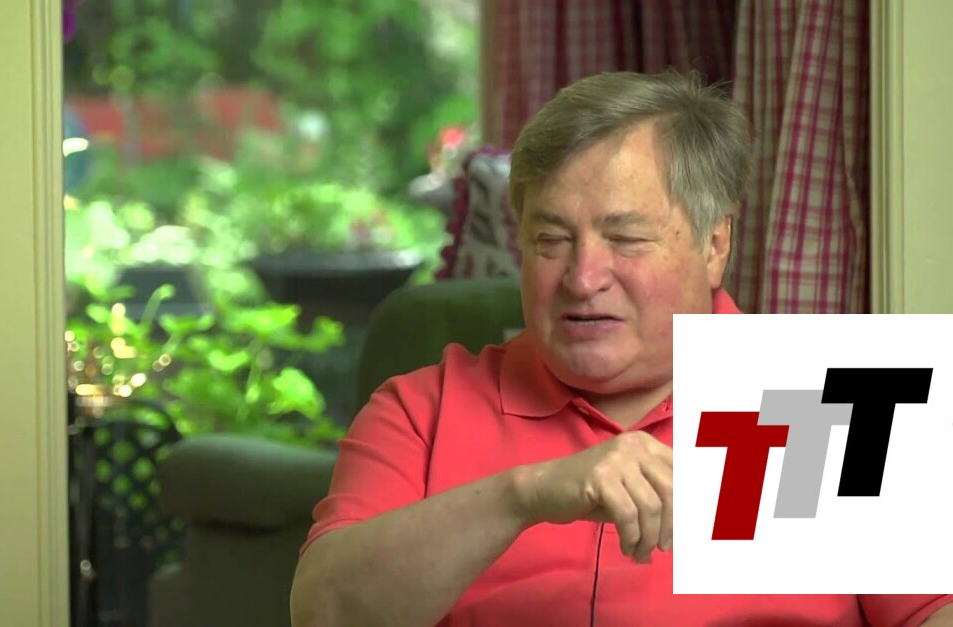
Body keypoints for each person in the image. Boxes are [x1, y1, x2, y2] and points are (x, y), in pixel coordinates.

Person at [288, 71, 953, 627]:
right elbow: (323, 612)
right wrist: (522, 496)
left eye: (626, 239)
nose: (582, 279)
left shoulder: (839, 396)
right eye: (551, 240)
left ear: (714, 243)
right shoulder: (422, 410)